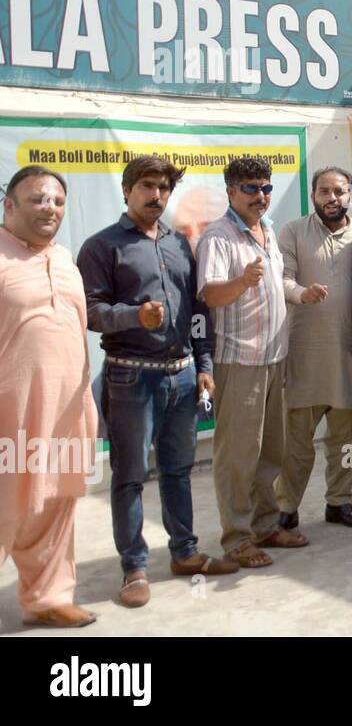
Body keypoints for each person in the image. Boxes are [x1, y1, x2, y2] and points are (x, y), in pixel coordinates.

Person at [78, 156, 236, 609]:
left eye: (164, 189)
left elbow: (197, 311)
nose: (157, 196)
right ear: (126, 190)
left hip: (183, 375)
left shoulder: (178, 244)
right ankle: (134, 567)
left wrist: (204, 363)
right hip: (131, 376)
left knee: (179, 472)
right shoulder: (101, 246)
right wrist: (134, 316)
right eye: (147, 186)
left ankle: (185, 553)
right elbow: (88, 310)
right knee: (129, 476)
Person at [0, 167, 99, 627]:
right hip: (9, 413)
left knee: (56, 504)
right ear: (10, 206)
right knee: (7, 505)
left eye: (57, 201)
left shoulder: (63, 259)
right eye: (38, 199)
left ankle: (48, 598)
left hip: (64, 410)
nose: (50, 209)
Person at [197, 156, 304, 567]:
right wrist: (241, 281)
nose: (260, 196)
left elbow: (275, 287)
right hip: (240, 360)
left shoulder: (269, 232)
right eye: (250, 188)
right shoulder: (219, 238)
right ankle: (236, 538)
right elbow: (210, 295)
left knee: (270, 453)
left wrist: (300, 293)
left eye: (265, 188)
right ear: (230, 192)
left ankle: (265, 525)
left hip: (274, 357)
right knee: (238, 456)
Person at [275, 167, 352, 531]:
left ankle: (340, 502)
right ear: (313, 195)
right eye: (325, 192)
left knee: (345, 441)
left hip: (350, 354)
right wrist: (303, 293)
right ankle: (285, 506)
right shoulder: (293, 231)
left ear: (351, 194)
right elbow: (281, 278)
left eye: (340, 191)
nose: (333, 198)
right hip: (303, 355)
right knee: (295, 442)